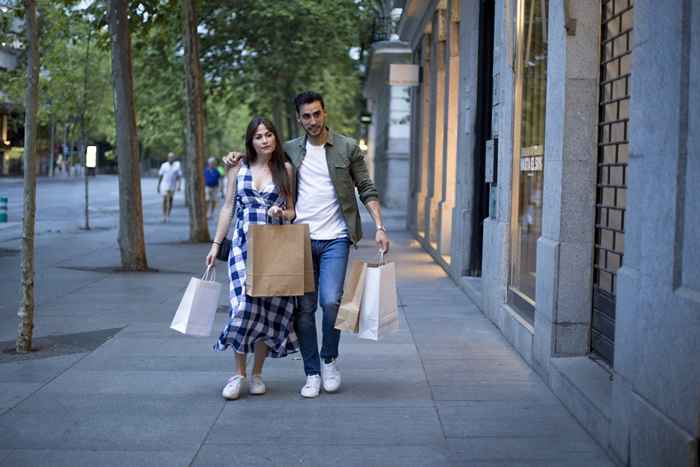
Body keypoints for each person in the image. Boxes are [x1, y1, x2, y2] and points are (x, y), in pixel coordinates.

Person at [225, 91, 391, 398]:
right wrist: (236, 157)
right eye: (306, 116)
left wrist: (379, 226)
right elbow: (261, 159)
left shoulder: (347, 147)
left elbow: (366, 188)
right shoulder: (289, 150)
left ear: (324, 113)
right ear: (299, 118)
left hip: (336, 238)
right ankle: (311, 372)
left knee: (331, 301)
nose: (312, 121)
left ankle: (329, 360)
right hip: (296, 239)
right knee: (303, 309)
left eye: (316, 114)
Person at [208, 116, 298, 401]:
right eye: (259, 136)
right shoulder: (239, 167)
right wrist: (215, 244)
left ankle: (257, 372)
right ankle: (239, 374)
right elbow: (227, 208)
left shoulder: (285, 169)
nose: (265, 140)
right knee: (242, 308)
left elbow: (293, 211)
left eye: (269, 135)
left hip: (274, 245)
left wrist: (281, 213)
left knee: (268, 311)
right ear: (251, 140)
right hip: (243, 246)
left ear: (276, 138)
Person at [157, 152, 182, 223]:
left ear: (174, 158)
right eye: (170, 157)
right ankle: (164, 216)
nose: (171, 158)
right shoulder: (164, 165)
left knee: (170, 200)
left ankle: (168, 215)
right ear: (168, 158)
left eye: (172, 157)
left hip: (172, 185)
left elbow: (179, 177)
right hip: (164, 184)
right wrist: (158, 186)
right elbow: (160, 176)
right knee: (165, 199)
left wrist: (179, 185)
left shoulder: (177, 165)